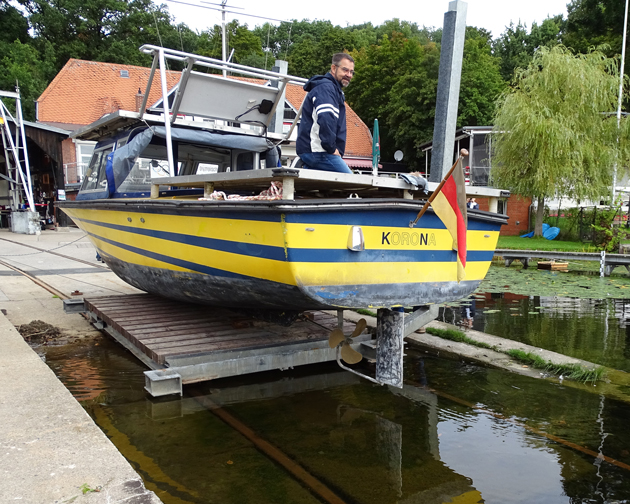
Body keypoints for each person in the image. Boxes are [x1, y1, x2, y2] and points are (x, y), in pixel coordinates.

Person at [296, 53, 355, 174]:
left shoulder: (332, 89)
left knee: (318, 188)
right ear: (334, 68)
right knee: (352, 182)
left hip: (314, 151)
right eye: (345, 70)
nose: (349, 75)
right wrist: (331, 148)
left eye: (351, 72)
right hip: (319, 151)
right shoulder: (326, 88)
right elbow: (326, 119)